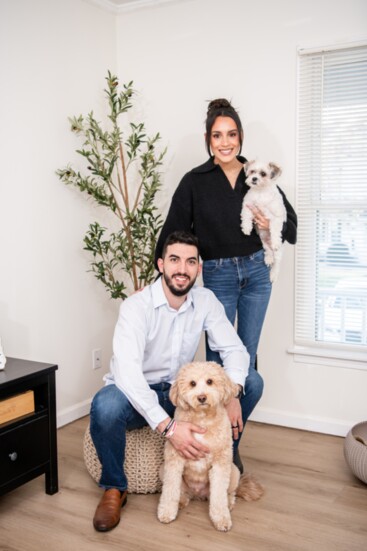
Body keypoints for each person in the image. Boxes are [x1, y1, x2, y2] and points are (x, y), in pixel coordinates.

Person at [155, 98, 297, 455]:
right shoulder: (195, 181)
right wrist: (157, 276)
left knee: (247, 365)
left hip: (256, 273)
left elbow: (292, 227)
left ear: (241, 136)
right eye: (217, 135)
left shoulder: (259, 175)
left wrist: (268, 225)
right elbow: (172, 232)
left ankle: (229, 448)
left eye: (231, 134)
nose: (225, 142)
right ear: (208, 139)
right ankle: (209, 445)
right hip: (217, 276)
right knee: (216, 367)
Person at [90, 231, 250, 532]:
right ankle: (114, 487)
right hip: (138, 392)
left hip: (183, 392)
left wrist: (233, 395)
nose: (182, 269)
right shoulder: (136, 307)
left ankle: (225, 454)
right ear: (161, 264)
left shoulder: (205, 300)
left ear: (198, 269)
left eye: (191, 262)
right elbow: (127, 373)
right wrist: (170, 427)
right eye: (175, 260)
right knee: (105, 405)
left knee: (252, 381)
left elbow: (234, 350)